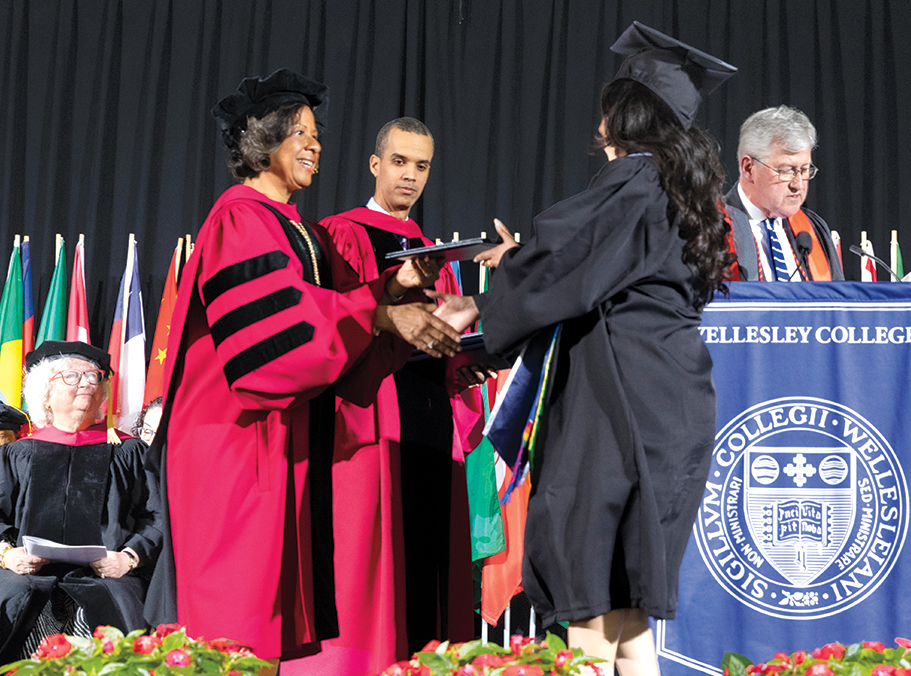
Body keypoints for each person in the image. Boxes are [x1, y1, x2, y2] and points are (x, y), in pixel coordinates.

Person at [434, 22, 736, 676]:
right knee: (626, 616)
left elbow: (562, 257)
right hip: (666, 410)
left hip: (619, 412)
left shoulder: (633, 182)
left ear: (625, 113)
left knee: (592, 606)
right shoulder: (682, 194)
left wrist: (479, 308)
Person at [143, 69, 461, 663]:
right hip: (235, 446)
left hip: (280, 444)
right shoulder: (241, 217)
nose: (314, 145)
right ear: (263, 143)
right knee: (234, 625)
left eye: (316, 134)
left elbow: (341, 327)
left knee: (270, 631)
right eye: (299, 134)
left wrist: (398, 290)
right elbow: (283, 344)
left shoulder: (295, 228)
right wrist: (381, 312)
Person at [301, 118, 478, 673]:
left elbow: (445, 326)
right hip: (369, 411)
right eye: (399, 162)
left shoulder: (432, 249)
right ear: (376, 164)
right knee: (366, 552)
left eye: (421, 166)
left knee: (425, 558)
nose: (410, 176)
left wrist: (463, 363)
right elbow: (336, 322)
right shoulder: (338, 233)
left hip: (426, 410)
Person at [0, 341, 161, 663]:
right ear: (45, 392)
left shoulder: (128, 452)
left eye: (94, 376)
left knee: (125, 612)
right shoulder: (17, 454)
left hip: (109, 576)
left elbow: (157, 516)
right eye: (71, 376)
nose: (87, 382)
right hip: (25, 575)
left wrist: (129, 558)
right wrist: (7, 554)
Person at [725, 105, 844, 281]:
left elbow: (835, 303)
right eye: (787, 171)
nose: (798, 185)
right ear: (748, 168)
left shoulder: (813, 230)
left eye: (804, 170)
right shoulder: (711, 227)